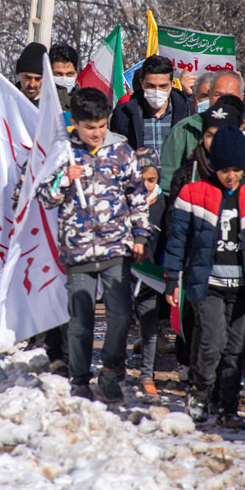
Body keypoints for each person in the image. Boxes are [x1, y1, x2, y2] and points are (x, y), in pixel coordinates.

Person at [36, 87, 151, 403]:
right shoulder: (64, 153)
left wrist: (141, 236)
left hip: (116, 248)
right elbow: (44, 198)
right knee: (81, 320)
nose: (97, 133)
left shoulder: (121, 152)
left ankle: (111, 371)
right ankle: (80, 379)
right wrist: (63, 178)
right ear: (76, 123)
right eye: (90, 128)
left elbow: (137, 196)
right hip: (79, 250)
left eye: (102, 126)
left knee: (120, 316)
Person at [163, 125, 245, 426]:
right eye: (225, 169)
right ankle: (199, 393)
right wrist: (172, 279)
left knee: (235, 349)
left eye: (237, 170)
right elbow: (177, 240)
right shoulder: (194, 193)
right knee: (211, 343)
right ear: (213, 166)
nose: (231, 176)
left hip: (243, 287)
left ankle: (227, 406)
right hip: (208, 285)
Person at [159, 70, 245, 198]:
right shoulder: (184, 130)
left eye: (230, 94)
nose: (223, 99)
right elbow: (167, 185)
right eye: (218, 94)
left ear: (242, 97)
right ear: (210, 95)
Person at [131, 147, 166, 400]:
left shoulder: (164, 205)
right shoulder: (123, 203)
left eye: (151, 180)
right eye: (139, 179)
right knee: (120, 323)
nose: (144, 185)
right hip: (125, 275)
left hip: (151, 276)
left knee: (150, 327)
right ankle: (115, 371)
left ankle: (147, 374)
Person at [110, 55, 194, 153]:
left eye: (163, 86)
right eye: (151, 86)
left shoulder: (187, 112)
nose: (157, 91)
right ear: (142, 83)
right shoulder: (123, 114)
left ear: (171, 83)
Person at [49, 42, 79, 111]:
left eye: (69, 74)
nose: (64, 78)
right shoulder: (40, 99)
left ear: (76, 73)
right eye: (58, 74)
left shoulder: (85, 103)